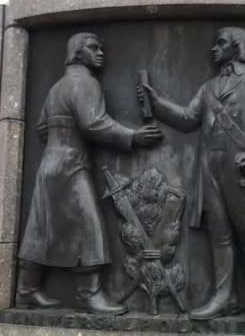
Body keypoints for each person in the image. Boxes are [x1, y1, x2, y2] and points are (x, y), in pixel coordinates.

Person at [139, 27, 245, 322]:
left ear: (236, 47)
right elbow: (187, 119)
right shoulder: (209, 87)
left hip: (241, 171)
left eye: (220, 43)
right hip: (210, 172)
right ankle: (224, 298)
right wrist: (158, 103)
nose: (213, 47)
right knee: (219, 237)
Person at [17, 32, 162, 315]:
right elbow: (94, 124)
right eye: (93, 48)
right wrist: (133, 136)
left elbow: (41, 128)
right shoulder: (86, 83)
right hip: (72, 165)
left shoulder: (57, 87)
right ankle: (89, 294)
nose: (100, 53)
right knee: (89, 227)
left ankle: (26, 289)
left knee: (41, 226)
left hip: (50, 163)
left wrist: (62, 136)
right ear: (77, 52)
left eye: (101, 48)